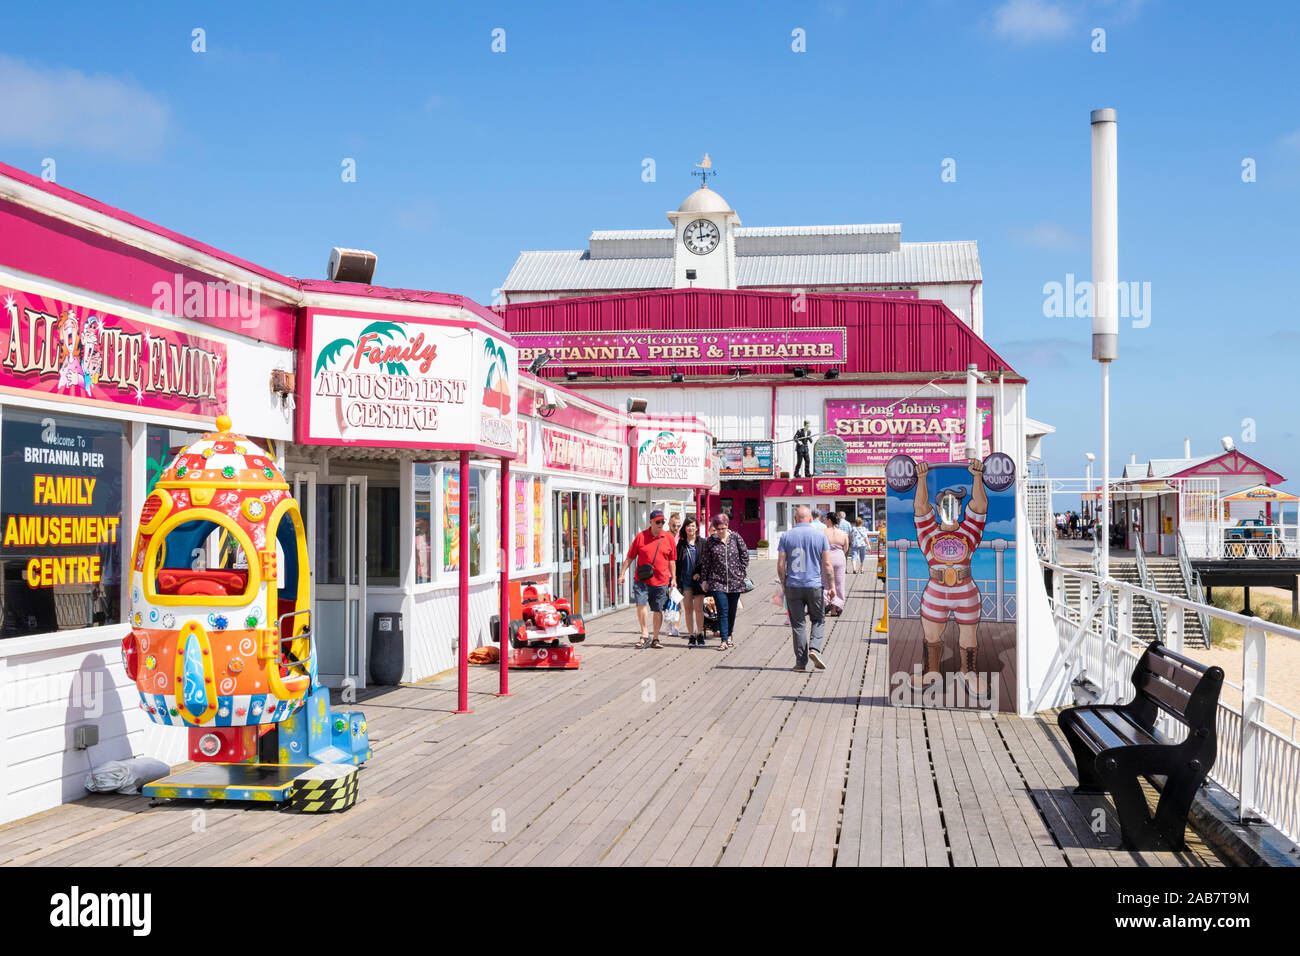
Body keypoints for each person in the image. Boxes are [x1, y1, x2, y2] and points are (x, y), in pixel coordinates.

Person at [912, 459, 988, 693]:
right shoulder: (928, 531)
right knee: (931, 635)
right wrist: (922, 478)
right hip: (936, 590)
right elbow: (920, 507)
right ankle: (931, 671)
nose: (950, 509)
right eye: (946, 505)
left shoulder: (969, 530)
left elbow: (980, 504)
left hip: (965, 591)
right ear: (938, 509)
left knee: (968, 637)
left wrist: (977, 477)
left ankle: (969, 673)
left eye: (955, 504)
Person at [778, 504, 832, 671]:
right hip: (814, 585)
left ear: (795, 519)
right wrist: (831, 586)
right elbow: (828, 564)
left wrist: (784, 583)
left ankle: (801, 663)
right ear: (810, 519)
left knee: (798, 624)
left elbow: (781, 565)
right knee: (818, 619)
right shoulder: (820, 536)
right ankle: (815, 649)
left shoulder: (786, 536)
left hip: (793, 585)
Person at [617, 509, 677, 649]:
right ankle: (644, 633)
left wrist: (673, 578)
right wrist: (622, 573)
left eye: (663, 521)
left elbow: (672, 560)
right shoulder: (641, 537)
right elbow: (630, 556)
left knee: (658, 609)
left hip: (661, 580)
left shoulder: (668, 538)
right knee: (641, 604)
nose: (661, 524)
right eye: (658, 522)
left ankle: (655, 637)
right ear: (650, 522)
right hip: (642, 579)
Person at [697, 512, 749, 650]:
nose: (720, 531)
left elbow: (744, 554)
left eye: (722, 528)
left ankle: (730, 634)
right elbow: (706, 562)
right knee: (722, 610)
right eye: (717, 528)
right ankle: (724, 640)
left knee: (732, 610)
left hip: (734, 581)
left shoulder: (736, 538)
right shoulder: (711, 541)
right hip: (717, 581)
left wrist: (741, 571)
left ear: (727, 526)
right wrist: (704, 579)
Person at [675, 516, 706, 646]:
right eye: (688, 525)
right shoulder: (681, 544)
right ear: (685, 528)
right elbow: (676, 564)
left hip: (698, 582)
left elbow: (706, 562)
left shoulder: (703, 543)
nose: (690, 528)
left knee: (698, 609)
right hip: (685, 581)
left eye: (693, 525)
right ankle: (691, 636)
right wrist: (676, 581)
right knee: (688, 610)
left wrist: (701, 574)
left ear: (697, 528)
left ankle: (700, 634)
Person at [821, 512, 849, 615]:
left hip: (826, 557)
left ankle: (826, 603)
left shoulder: (822, 532)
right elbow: (846, 548)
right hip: (839, 557)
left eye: (825, 518)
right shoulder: (843, 533)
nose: (824, 520)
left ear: (829, 520)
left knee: (825, 581)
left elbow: (818, 547)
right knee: (839, 583)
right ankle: (835, 608)